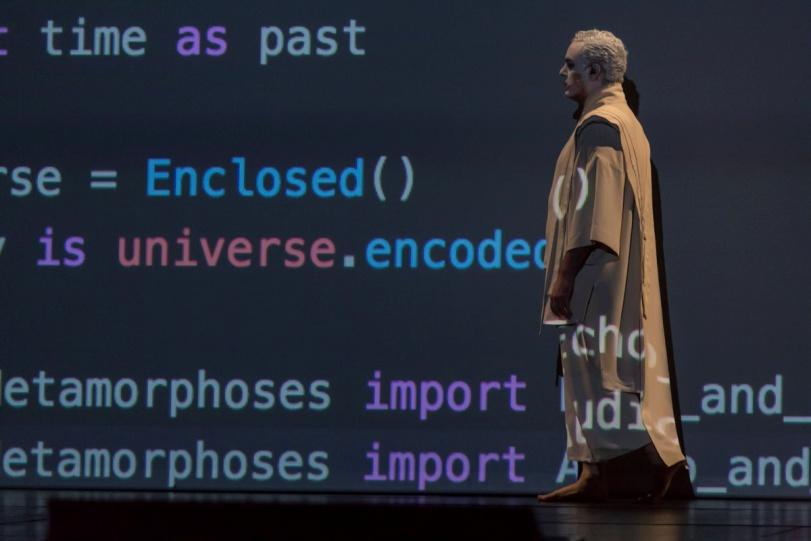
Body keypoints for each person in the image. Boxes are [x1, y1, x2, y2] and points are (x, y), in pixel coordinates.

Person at [537, 29, 689, 502]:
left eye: (570, 65)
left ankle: (660, 464)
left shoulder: (602, 126)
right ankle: (595, 473)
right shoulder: (621, 123)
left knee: (607, 374)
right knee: (589, 374)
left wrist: (564, 275)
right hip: (607, 271)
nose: (563, 73)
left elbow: (594, 212)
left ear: (595, 71)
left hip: (598, 274)